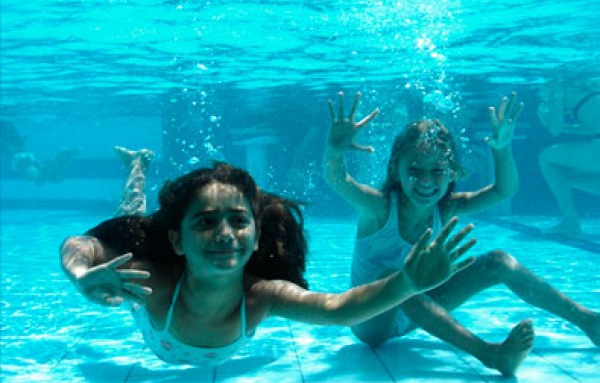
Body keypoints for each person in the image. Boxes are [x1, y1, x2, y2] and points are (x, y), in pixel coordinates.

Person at [60, 146, 477, 367]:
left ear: (257, 236)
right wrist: (81, 274)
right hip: (154, 319)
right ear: (179, 241)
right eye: (205, 222)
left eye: (238, 221)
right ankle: (137, 166)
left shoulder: (261, 297)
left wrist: (407, 282)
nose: (225, 235)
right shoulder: (151, 281)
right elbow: (80, 243)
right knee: (130, 217)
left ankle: (139, 165)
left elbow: (338, 309)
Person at [323, 91, 600, 377]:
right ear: (395, 169)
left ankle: (590, 322)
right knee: (396, 278)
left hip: (416, 307)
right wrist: (335, 150)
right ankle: (491, 354)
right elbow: (338, 180)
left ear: (452, 172)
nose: (426, 180)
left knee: (499, 262)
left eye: (437, 170)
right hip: (369, 319)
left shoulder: (448, 207)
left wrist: (502, 149)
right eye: (415, 170)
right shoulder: (379, 207)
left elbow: (504, 190)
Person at [538, 85, 600, 235]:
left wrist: (544, 111)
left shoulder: (557, 85)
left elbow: (554, 128)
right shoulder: (588, 84)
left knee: (546, 158)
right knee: (563, 177)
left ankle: (570, 221)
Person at [0, 119, 79, 185]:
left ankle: (63, 155)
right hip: (18, 154)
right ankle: (64, 156)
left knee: (45, 179)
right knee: (54, 179)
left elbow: (8, 147)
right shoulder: (10, 133)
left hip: (17, 155)